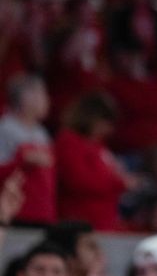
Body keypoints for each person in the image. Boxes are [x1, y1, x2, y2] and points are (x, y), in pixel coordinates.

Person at [54, 92, 133, 231]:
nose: (109, 129)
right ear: (91, 118)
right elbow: (77, 180)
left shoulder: (100, 146)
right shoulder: (69, 141)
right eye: (105, 122)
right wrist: (118, 182)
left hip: (104, 222)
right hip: (79, 222)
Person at [0, 75, 55, 226]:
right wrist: (23, 160)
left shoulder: (41, 133)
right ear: (25, 97)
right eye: (41, 94)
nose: (46, 100)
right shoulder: (5, 128)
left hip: (42, 211)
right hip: (15, 211)